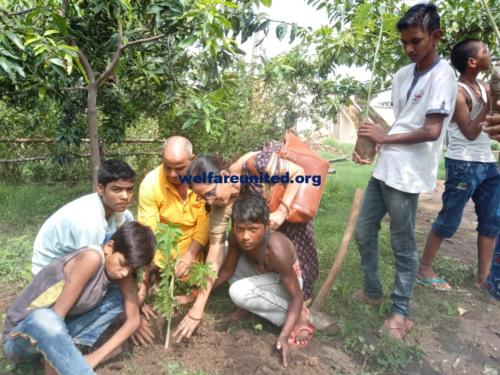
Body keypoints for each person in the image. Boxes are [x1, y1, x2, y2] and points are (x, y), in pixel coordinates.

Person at [352, 3, 457, 339]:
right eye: (404, 43)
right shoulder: (401, 75)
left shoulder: (444, 76)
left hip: (408, 175)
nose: (409, 49)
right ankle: (372, 291)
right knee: (363, 232)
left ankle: (401, 312)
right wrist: (372, 145)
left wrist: (386, 138)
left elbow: (431, 131)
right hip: (385, 168)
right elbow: (401, 121)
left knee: (402, 243)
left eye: (416, 40)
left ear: (435, 36)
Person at [173, 150, 318, 346]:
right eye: (202, 197)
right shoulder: (219, 207)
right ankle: (261, 299)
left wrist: (282, 211)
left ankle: (299, 310)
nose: (209, 201)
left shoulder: (256, 165)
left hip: (286, 224)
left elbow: (298, 173)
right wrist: (196, 302)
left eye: (210, 193)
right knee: (224, 250)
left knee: (289, 274)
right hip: (261, 241)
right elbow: (214, 259)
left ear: (224, 177)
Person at [2, 221, 156, 375]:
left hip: (55, 333)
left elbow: (133, 319)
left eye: (131, 269)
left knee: (120, 298)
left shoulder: (122, 270)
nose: (124, 273)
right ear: (109, 246)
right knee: (45, 319)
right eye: (123, 264)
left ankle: (68, 354)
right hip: (20, 338)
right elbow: (53, 323)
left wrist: (95, 357)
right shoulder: (92, 258)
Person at [418, 39, 500, 291]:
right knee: (450, 218)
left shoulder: (486, 86)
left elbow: (494, 118)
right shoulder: (456, 91)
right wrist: (490, 102)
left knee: (492, 219)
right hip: (463, 162)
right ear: (472, 62)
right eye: (485, 51)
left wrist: (495, 96)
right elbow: (471, 132)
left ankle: (484, 277)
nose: (491, 54)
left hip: (487, 162)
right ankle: (424, 268)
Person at [213, 193, 310, 367]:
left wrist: (284, 336)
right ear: (233, 225)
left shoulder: (276, 248)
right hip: (263, 273)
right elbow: (228, 270)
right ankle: (256, 304)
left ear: (266, 226)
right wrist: (197, 294)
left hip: (289, 285)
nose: (245, 236)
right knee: (226, 251)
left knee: (238, 292)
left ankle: (297, 315)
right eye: (240, 228)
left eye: (253, 229)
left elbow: (296, 295)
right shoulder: (236, 237)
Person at [134, 136, 209, 345]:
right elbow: (148, 232)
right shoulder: (151, 184)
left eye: (180, 168)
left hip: (193, 250)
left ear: (192, 160)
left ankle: (192, 290)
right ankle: (157, 282)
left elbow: (204, 225)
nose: (173, 174)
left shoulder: (202, 181)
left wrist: (190, 255)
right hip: (162, 254)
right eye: (168, 168)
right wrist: (146, 278)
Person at [32, 159, 135, 274]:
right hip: (50, 273)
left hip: (77, 259)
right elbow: (90, 265)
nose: (125, 196)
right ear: (100, 189)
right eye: (117, 190)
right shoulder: (88, 221)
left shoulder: (124, 215)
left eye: (129, 190)